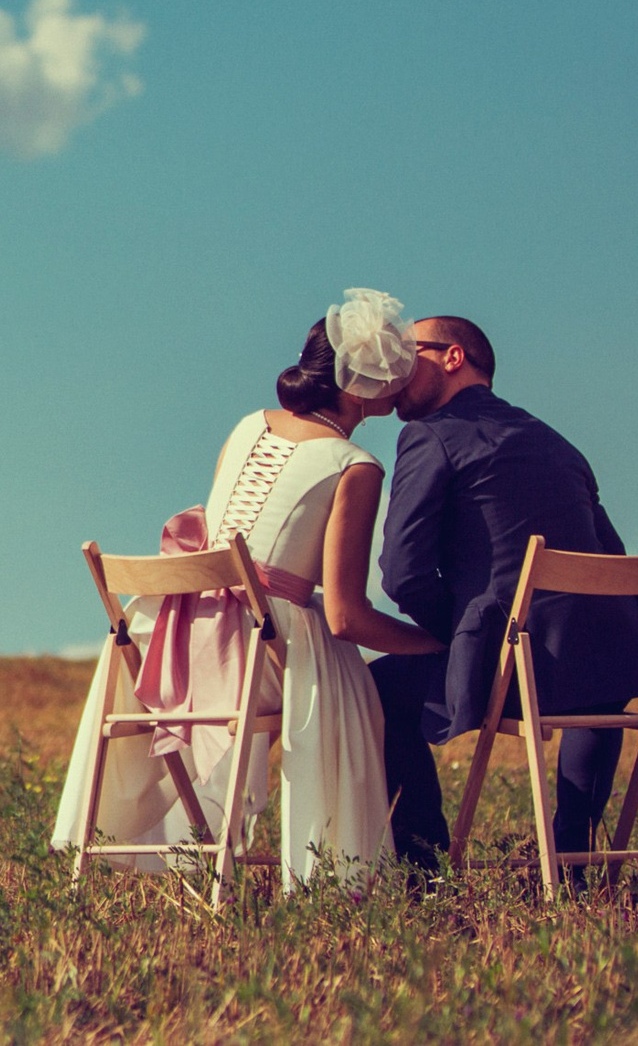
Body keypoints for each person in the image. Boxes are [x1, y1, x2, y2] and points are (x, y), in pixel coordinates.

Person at [53, 289, 443, 888]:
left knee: (304, 620)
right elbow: (347, 616)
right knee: (351, 677)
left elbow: (224, 545)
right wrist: (435, 645)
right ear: (359, 384)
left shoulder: (246, 426)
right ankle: (335, 874)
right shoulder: (354, 465)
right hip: (257, 649)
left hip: (164, 631)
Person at [368, 316, 638, 874]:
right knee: (595, 684)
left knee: (374, 690)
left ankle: (425, 870)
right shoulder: (555, 441)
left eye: (406, 354)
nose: (392, 371)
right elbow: (608, 562)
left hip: (505, 671)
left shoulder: (429, 436)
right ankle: (572, 864)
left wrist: (455, 638)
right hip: (608, 666)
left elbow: (403, 574)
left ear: (452, 358)